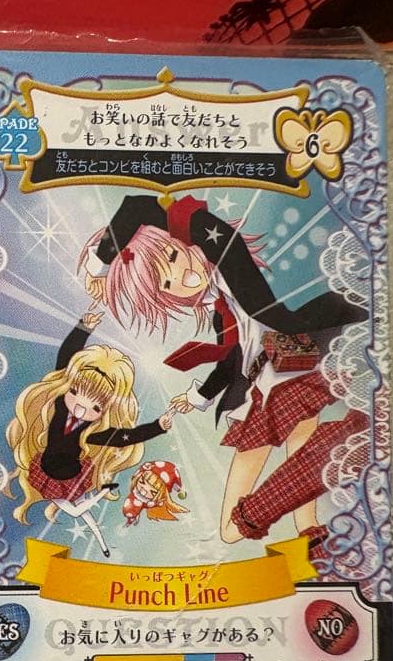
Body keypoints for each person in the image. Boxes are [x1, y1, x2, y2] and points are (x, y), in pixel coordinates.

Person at [82, 194, 368, 549]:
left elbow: (138, 206)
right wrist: (197, 396)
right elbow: (231, 359)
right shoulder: (220, 307)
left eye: (173, 257)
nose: (182, 277)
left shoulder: (219, 247)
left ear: (184, 241)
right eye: (167, 285)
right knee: (237, 525)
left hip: (294, 362)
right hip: (271, 377)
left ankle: (326, 483)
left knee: (248, 511)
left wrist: (100, 263)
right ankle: (306, 521)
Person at [4, 306, 175, 558]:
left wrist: (157, 427)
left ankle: (102, 542)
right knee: (79, 511)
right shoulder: (58, 405)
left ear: (106, 410)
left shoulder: (94, 432)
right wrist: (83, 328)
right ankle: (102, 534)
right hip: (46, 468)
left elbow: (124, 437)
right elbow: (65, 362)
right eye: (75, 392)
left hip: (70, 477)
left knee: (79, 511)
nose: (81, 407)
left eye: (95, 407)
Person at [121, 460, 189, 526]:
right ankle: (131, 517)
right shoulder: (134, 493)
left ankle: (132, 518)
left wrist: (156, 504)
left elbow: (148, 505)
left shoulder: (149, 502)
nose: (144, 490)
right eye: (142, 482)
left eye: (153, 492)